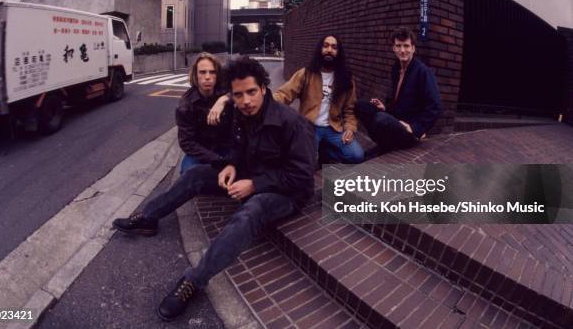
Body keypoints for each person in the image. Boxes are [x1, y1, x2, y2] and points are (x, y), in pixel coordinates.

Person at [111, 57, 316, 321]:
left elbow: (302, 176)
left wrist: (255, 184)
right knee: (196, 174)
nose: (246, 101)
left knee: (252, 209)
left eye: (252, 92)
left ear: (264, 89)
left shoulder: (292, 123)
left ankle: (193, 281)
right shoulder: (242, 116)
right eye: (238, 95)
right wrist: (231, 164)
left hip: (287, 193)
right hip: (251, 174)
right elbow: (238, 148)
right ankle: (149, 217)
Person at [273, 34, 364, 164]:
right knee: (307, 163)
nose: (329, 50)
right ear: (320, 49)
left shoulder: (346, 78)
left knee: (357, 156)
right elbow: (284, 94)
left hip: (333, 128)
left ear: (338, 52)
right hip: (309, 127)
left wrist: (350, 128)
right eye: (325, 46)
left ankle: (324, 149)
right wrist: (265, 103)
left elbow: (350, 109)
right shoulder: (306, 73)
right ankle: (319, 150)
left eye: (334, 47)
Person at [355, 27, 441, 154]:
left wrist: (417, 128)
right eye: (398, 46)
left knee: (380, 119)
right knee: (360, 105)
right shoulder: (396, 70)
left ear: (413, 48)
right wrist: (385, 109)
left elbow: (435, 106)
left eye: (406, 46)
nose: (402, 50)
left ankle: (386, 146)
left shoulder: (423, 72)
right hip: (395, 121)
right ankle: (385, 143)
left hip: (409, 131)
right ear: (393, 48)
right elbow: (400, 104)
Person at [177, 52, 230, 174]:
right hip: (200, 152)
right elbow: (187, 143)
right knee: (188, 173)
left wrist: (223, 100)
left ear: (217, 75)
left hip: (226, 147)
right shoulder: (185, 105)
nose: (207, 77)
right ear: (195, 75)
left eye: (212, 72)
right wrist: (217, 160)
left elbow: (240, 93)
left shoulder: (225, 91)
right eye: (202, 72)